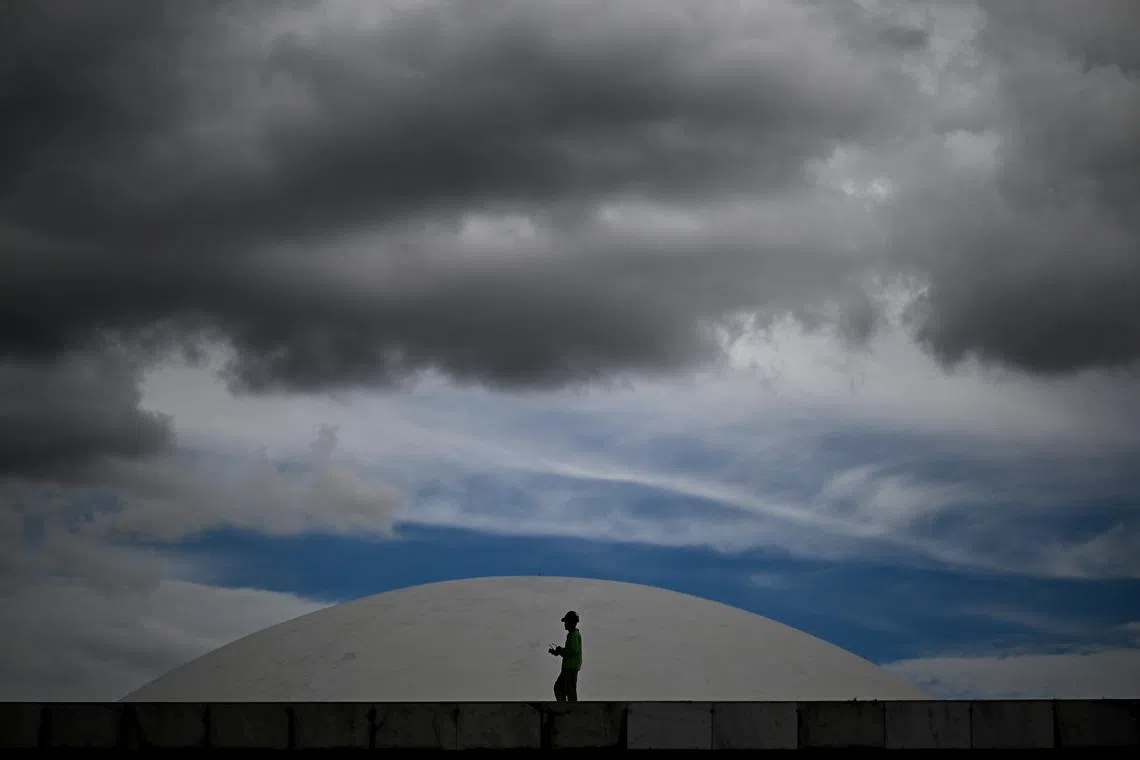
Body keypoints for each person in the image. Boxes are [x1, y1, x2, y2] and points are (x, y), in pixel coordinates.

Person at [548, 610, 582, 702]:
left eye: (566, 622)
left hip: (570, 668)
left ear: (571, 622)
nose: (565, 624)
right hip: (568, 667)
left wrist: (561, 650)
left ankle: (570, 710)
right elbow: (570, 652)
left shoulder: (574, 635)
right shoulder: (572, 634)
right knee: (560, 688)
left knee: (568, 691)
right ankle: (565, 708)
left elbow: (573, 651)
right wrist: (558, 652)